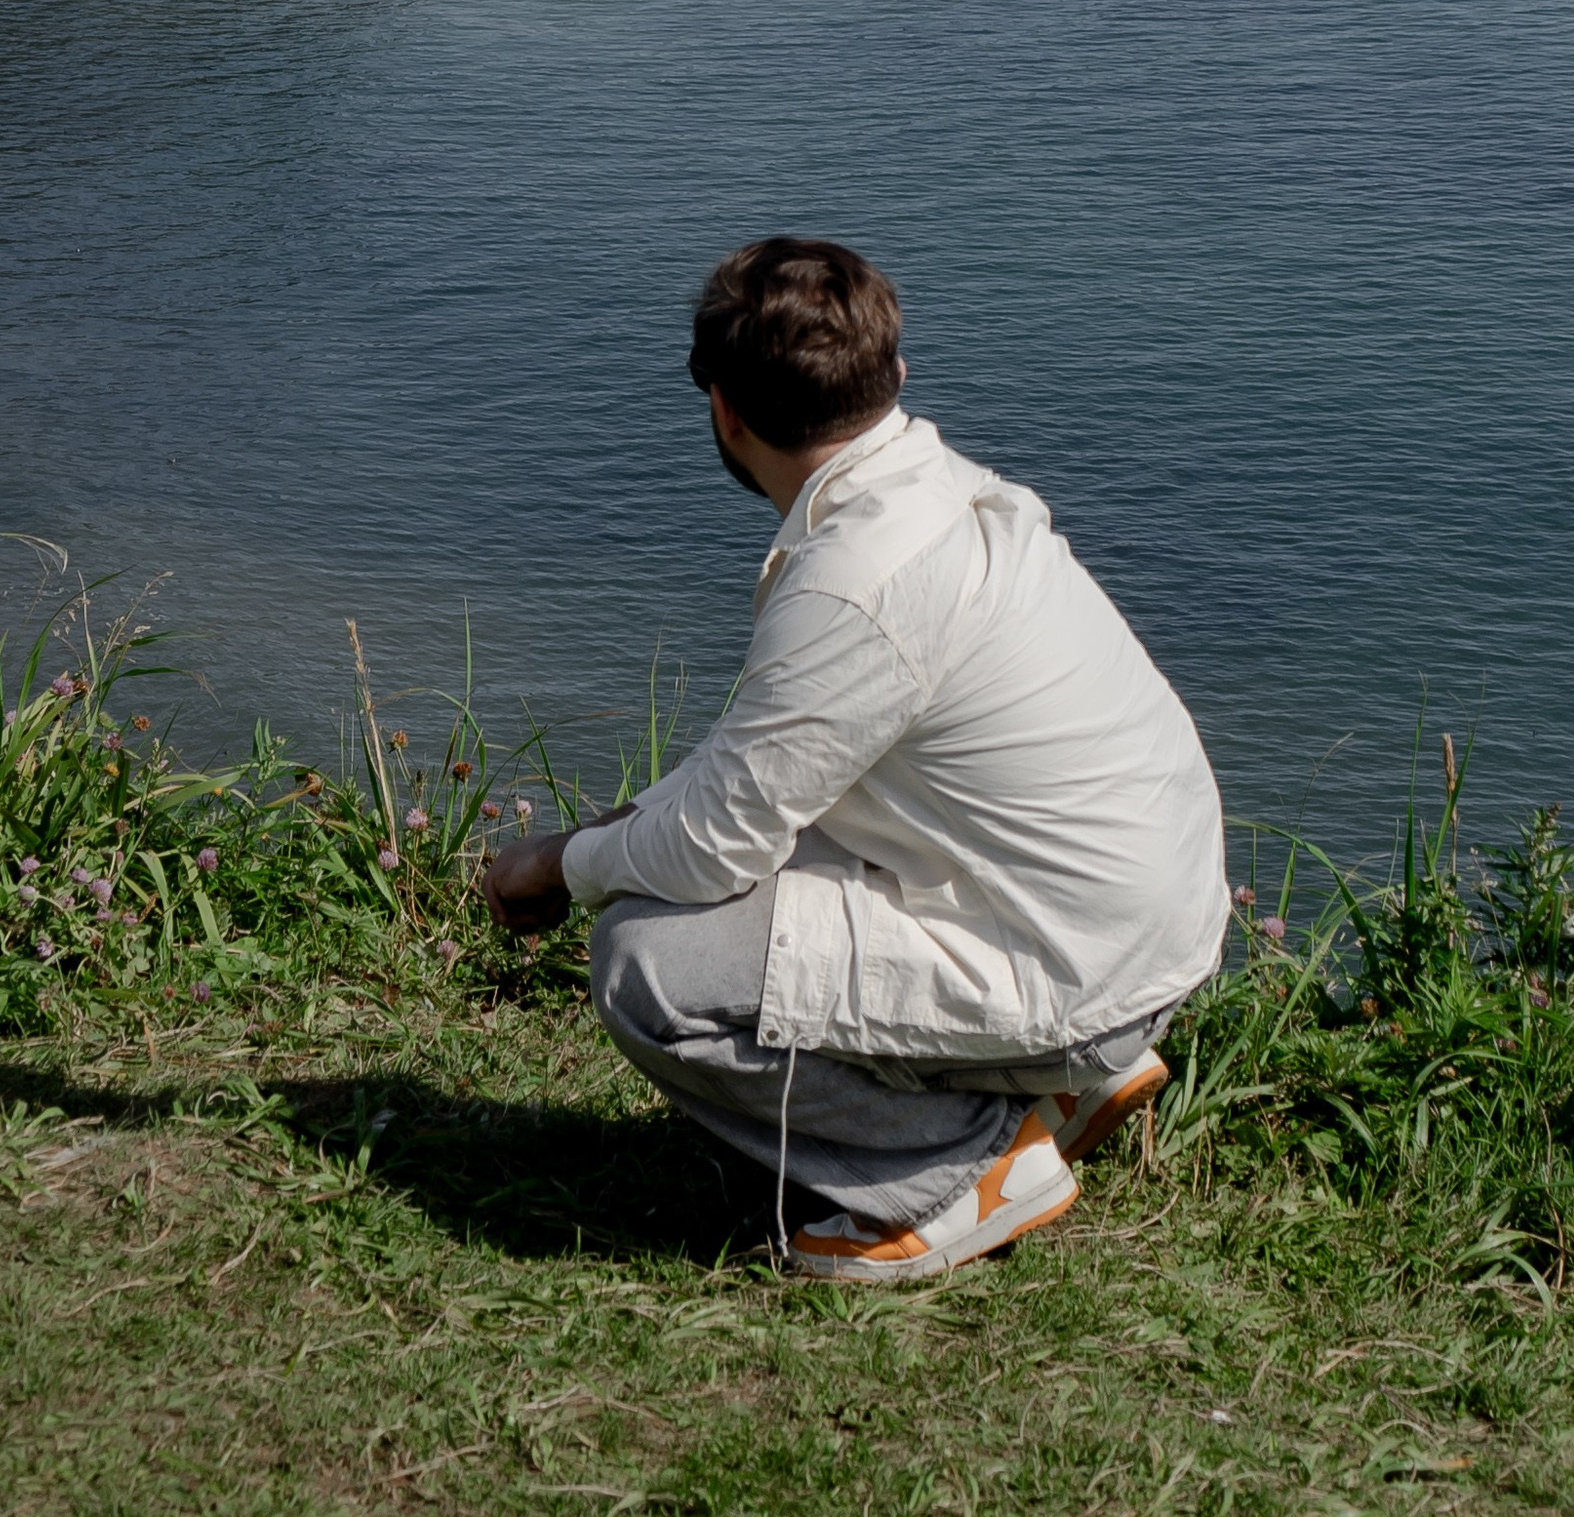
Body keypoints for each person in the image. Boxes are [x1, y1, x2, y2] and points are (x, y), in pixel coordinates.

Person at [481, 236, 1230, 1283]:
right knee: (724, 869)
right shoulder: (941, 495)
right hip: (1140, 927)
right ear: (895, 375)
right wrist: (606, 835)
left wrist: (560, 866)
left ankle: (956, 1171)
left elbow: (712, 848)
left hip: (1083, 971)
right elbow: (752, 782)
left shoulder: (854, 581)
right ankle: (1053, 1081)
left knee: (645, 962)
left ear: (724, 413)